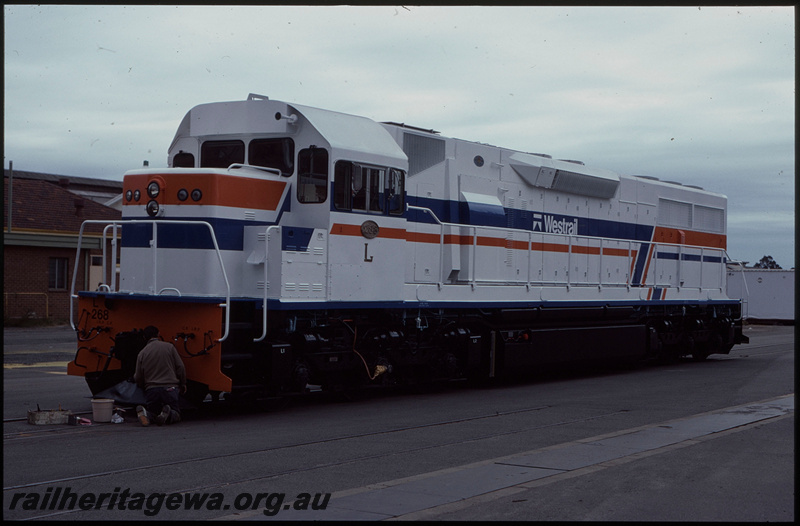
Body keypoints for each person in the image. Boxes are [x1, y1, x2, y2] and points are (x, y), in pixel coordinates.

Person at [134, 325, 186, 426]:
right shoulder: (169, 347)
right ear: (158, 334)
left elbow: (138, 376)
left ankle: (147, 415)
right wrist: (183, 383)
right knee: (176, 413)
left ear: (144, 338)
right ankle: (169, 413)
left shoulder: (142, 353)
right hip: (170, 388)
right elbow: (180, 367)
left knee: (153, 411)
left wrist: (142, 386)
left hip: (152, 389)